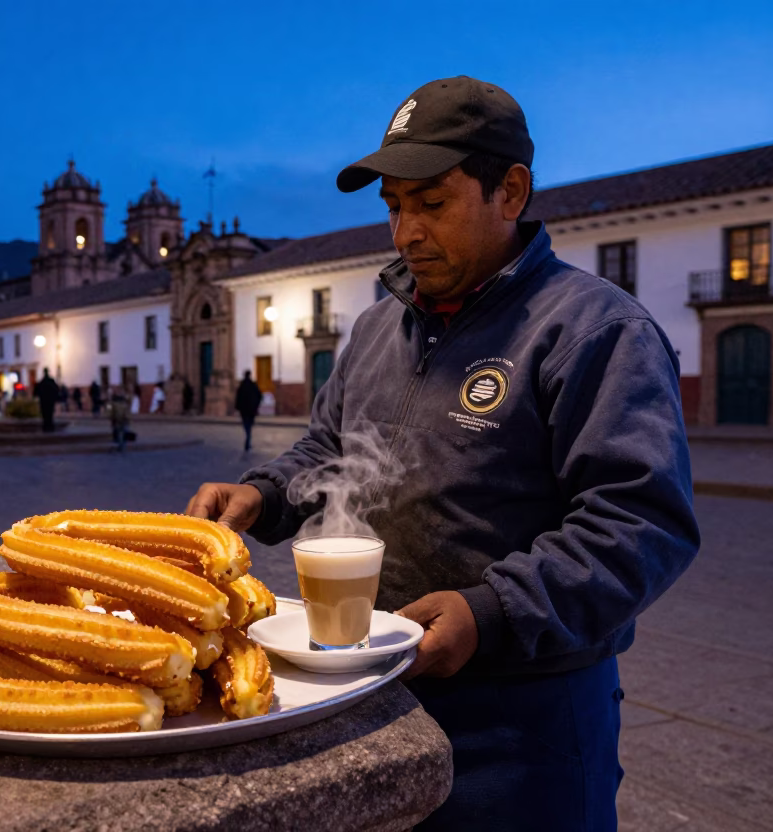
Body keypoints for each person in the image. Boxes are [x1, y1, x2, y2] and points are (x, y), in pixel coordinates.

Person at [184, 77, 699, 832]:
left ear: (511, 191)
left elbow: (642, 522)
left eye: (431, 204)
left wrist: (491, 611)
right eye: (393, 207)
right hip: (375, 682)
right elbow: (331, 447)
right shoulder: (375, 329)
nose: (405, 233)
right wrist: (263, 494)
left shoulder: (594, 331)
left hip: (524, 718)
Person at [234, 370, 262, 452]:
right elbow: (259, 395)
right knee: (249, 425)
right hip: (251, 410)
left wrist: (237, 408)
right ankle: (248, 439)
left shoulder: (241, 386)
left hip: (244, 410)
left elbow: (238, 398)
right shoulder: (253, 385)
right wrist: (256, 406)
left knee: (246, 425)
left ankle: (248, 438)